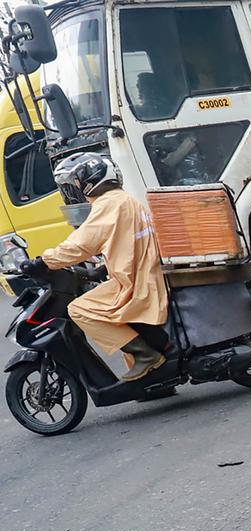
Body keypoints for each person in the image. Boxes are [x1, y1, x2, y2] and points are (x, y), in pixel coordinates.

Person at [26, 153, 169, 381]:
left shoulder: (108, 203)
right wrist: (102, 269)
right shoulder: (122, 199)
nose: (76, 188)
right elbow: (122, 240)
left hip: (136, 282)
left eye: (76, 182)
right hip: (142, 273)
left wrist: (44, 262)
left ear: (90, 180)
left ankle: (145, 356)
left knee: (80, 309)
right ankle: (155, 381)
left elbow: (80, 245)